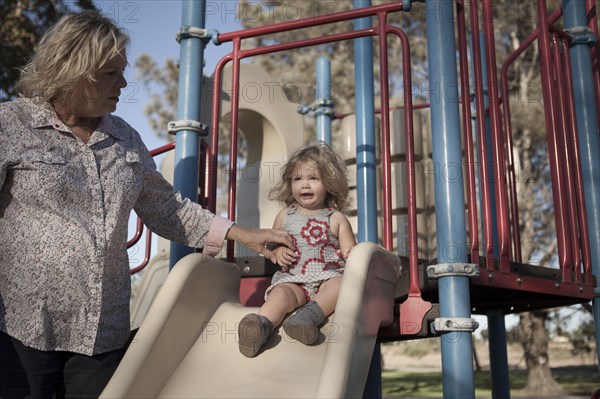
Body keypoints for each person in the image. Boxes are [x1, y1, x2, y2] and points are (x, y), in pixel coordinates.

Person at [0, 11, 292, 398]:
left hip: (100, 333)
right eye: (110, 73)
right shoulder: (12, 124)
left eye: (123, 71)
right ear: (73, 68)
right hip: (22, 327)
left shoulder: (125, 138)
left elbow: (168, 208)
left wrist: (244, 234)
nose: (123, 83)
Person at [237, 142, 357, 357]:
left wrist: (349, 254)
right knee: (280, 295)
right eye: (298, 179)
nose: (305, 185)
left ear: (328, 183)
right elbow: (273, 245)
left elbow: (352, 254)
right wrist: (279, 251)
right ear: (290, 183)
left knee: (341, 285)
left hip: (326, 280)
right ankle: (259, 326)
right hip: (293, 280)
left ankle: (308, 317)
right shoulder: (285, 216)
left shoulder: (336, 218)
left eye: (313, 178)